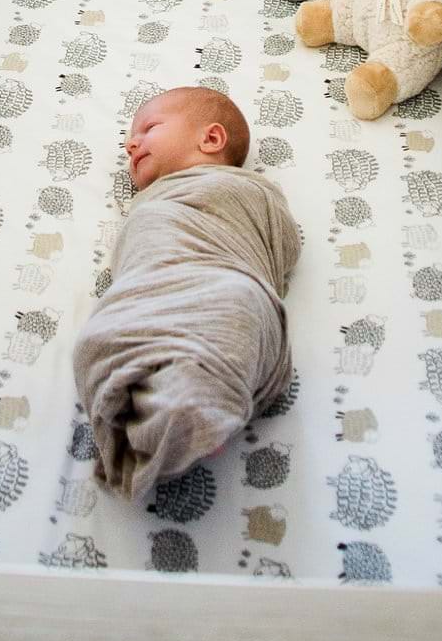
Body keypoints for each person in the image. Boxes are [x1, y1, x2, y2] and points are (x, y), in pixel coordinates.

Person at [72, 86, 301, 503]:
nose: (131, 143)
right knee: (98, 337)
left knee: (236, 305)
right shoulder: (154, 203)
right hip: (151, 283)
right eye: (130, 140)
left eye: (149, 128)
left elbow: (279, 245)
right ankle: (170, 420)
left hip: (225, 281)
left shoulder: (247, 191)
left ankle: (185, 414)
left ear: (211, 140)